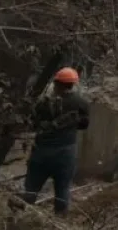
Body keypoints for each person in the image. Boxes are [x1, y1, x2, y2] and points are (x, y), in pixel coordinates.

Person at [21, 67, 90, 216]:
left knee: (31, 189)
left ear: (56, 83)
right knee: (62, 190)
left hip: (42, 151)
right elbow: (84, 125)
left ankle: (20, 216)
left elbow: (32, 123)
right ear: (73, 84)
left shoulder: (43, 103)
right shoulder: (81, 103)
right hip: (66, 152)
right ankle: (59, 220)